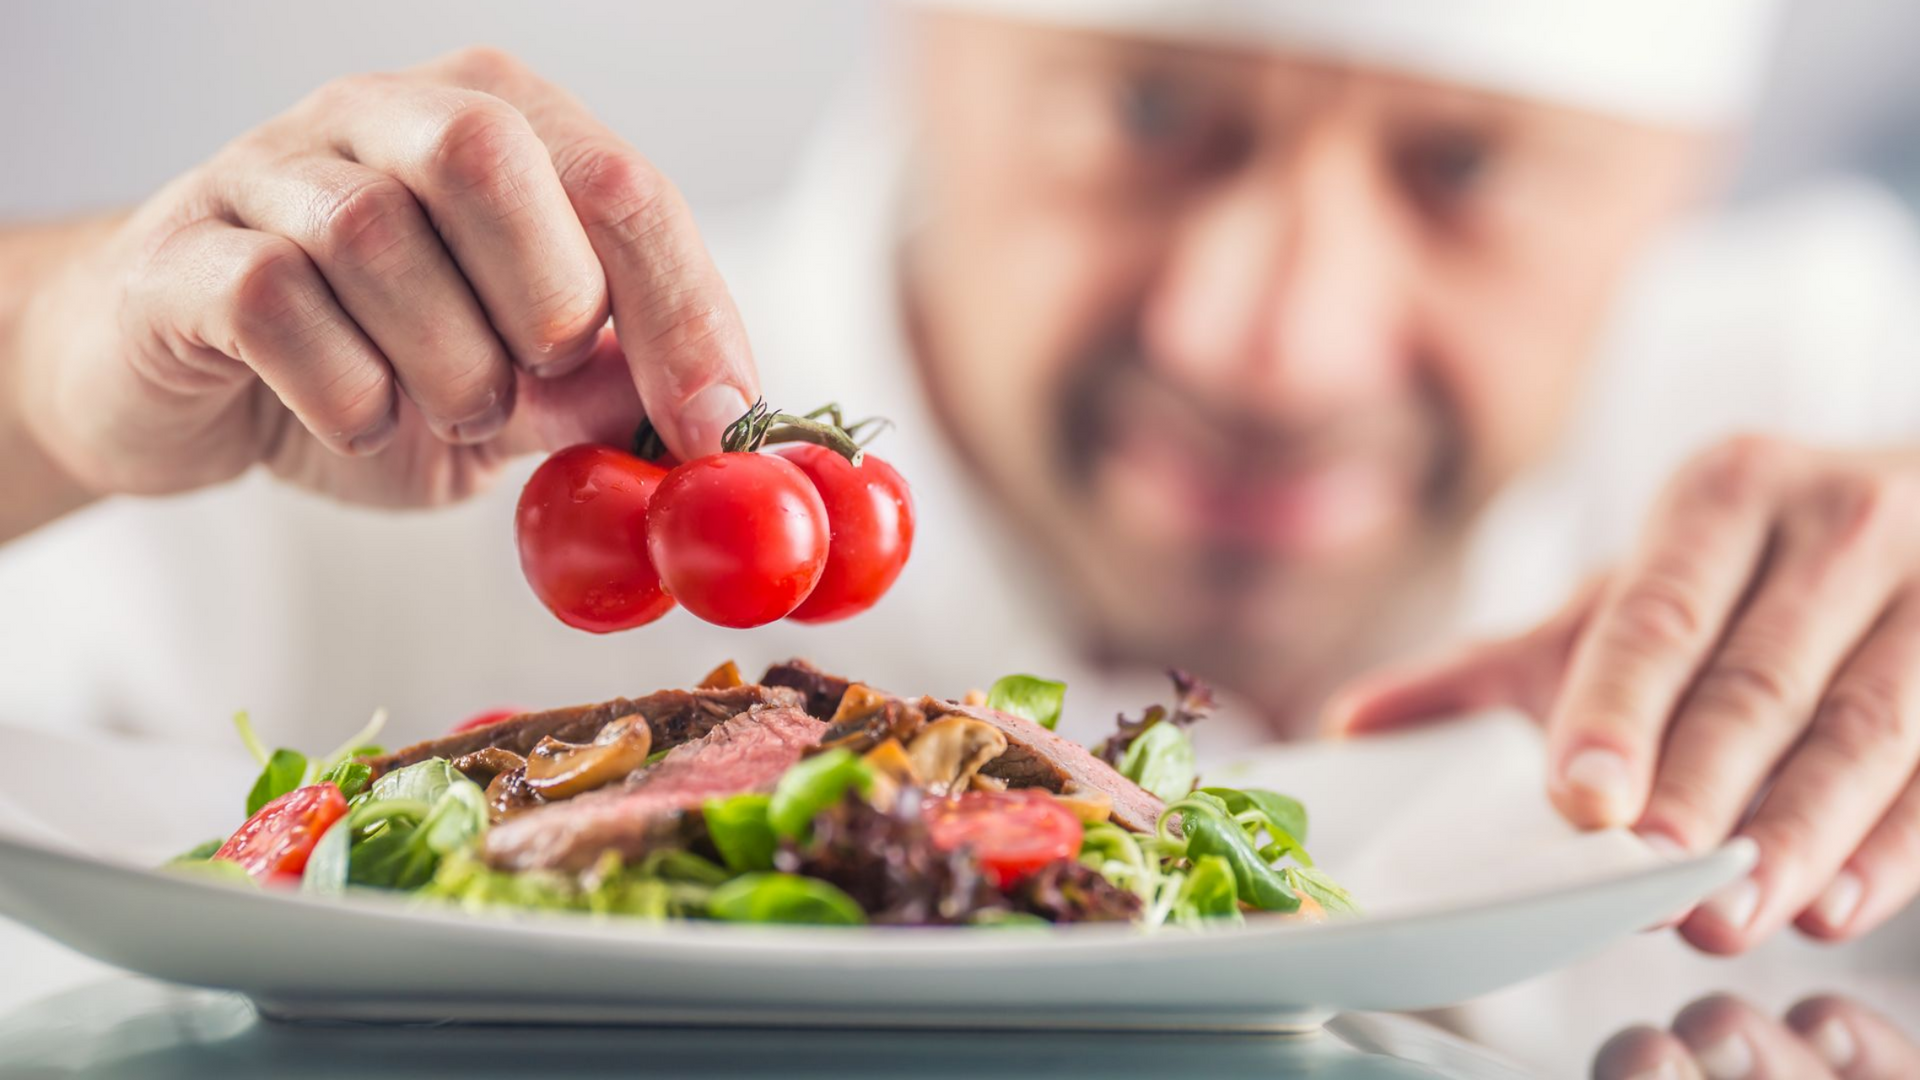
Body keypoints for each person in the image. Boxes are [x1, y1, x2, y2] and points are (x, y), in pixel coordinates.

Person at [2, 0, 1919, 968]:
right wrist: (37, 383)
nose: (1273, 345)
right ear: (929, 54)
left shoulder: (1832, 385)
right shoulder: (363, 398)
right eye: (1152, 113)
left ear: (1678, 180)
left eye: (1465, 173)